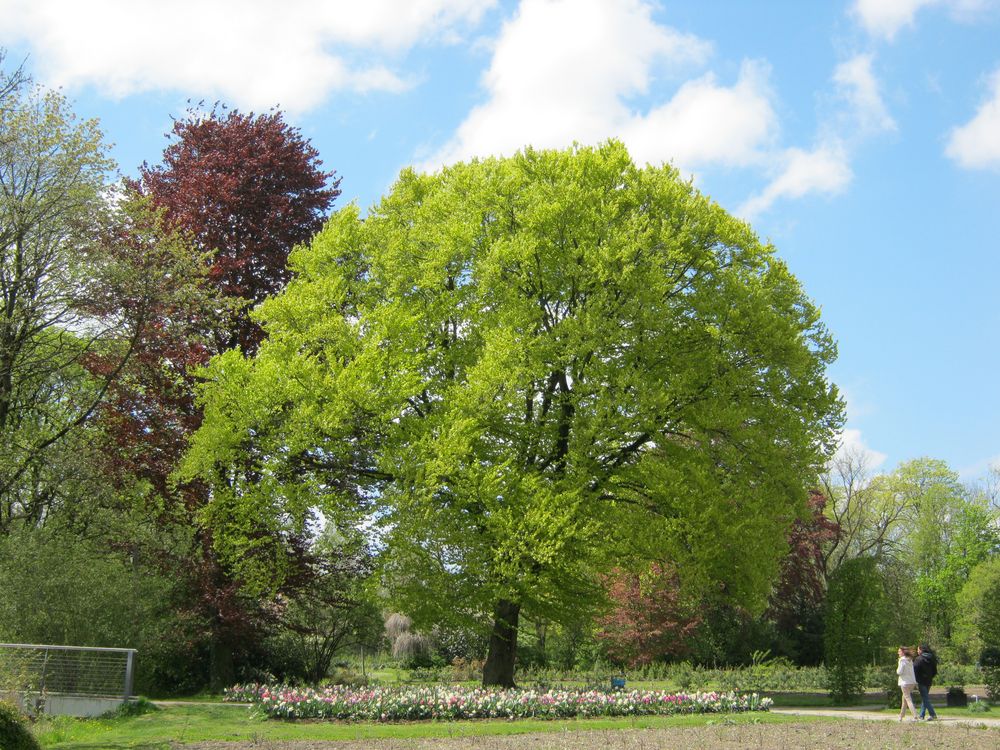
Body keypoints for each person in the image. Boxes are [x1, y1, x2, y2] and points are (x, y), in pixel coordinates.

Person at [913, 643, 939, 720]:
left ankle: (933, 715)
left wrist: (915, 680)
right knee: (925, 698)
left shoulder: (918, 659)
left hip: (921, 681)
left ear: (921, 650)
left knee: (925, 698)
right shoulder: (932, 659)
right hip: (929, 681)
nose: (917, 651)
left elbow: (914, 670)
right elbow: (935, 671)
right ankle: (921, 715)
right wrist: (930, 677)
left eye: (918, 649)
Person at [896, 646, 919, 721]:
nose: (898, 653)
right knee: (904, 699)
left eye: (899, 651)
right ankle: (901, 716)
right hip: (912, 682)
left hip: (905, 683)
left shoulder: (902, 660)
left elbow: (899, 671)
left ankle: (915, 716)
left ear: (903, 652)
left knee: (908, 699)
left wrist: (897, 671)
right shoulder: (910, 660)